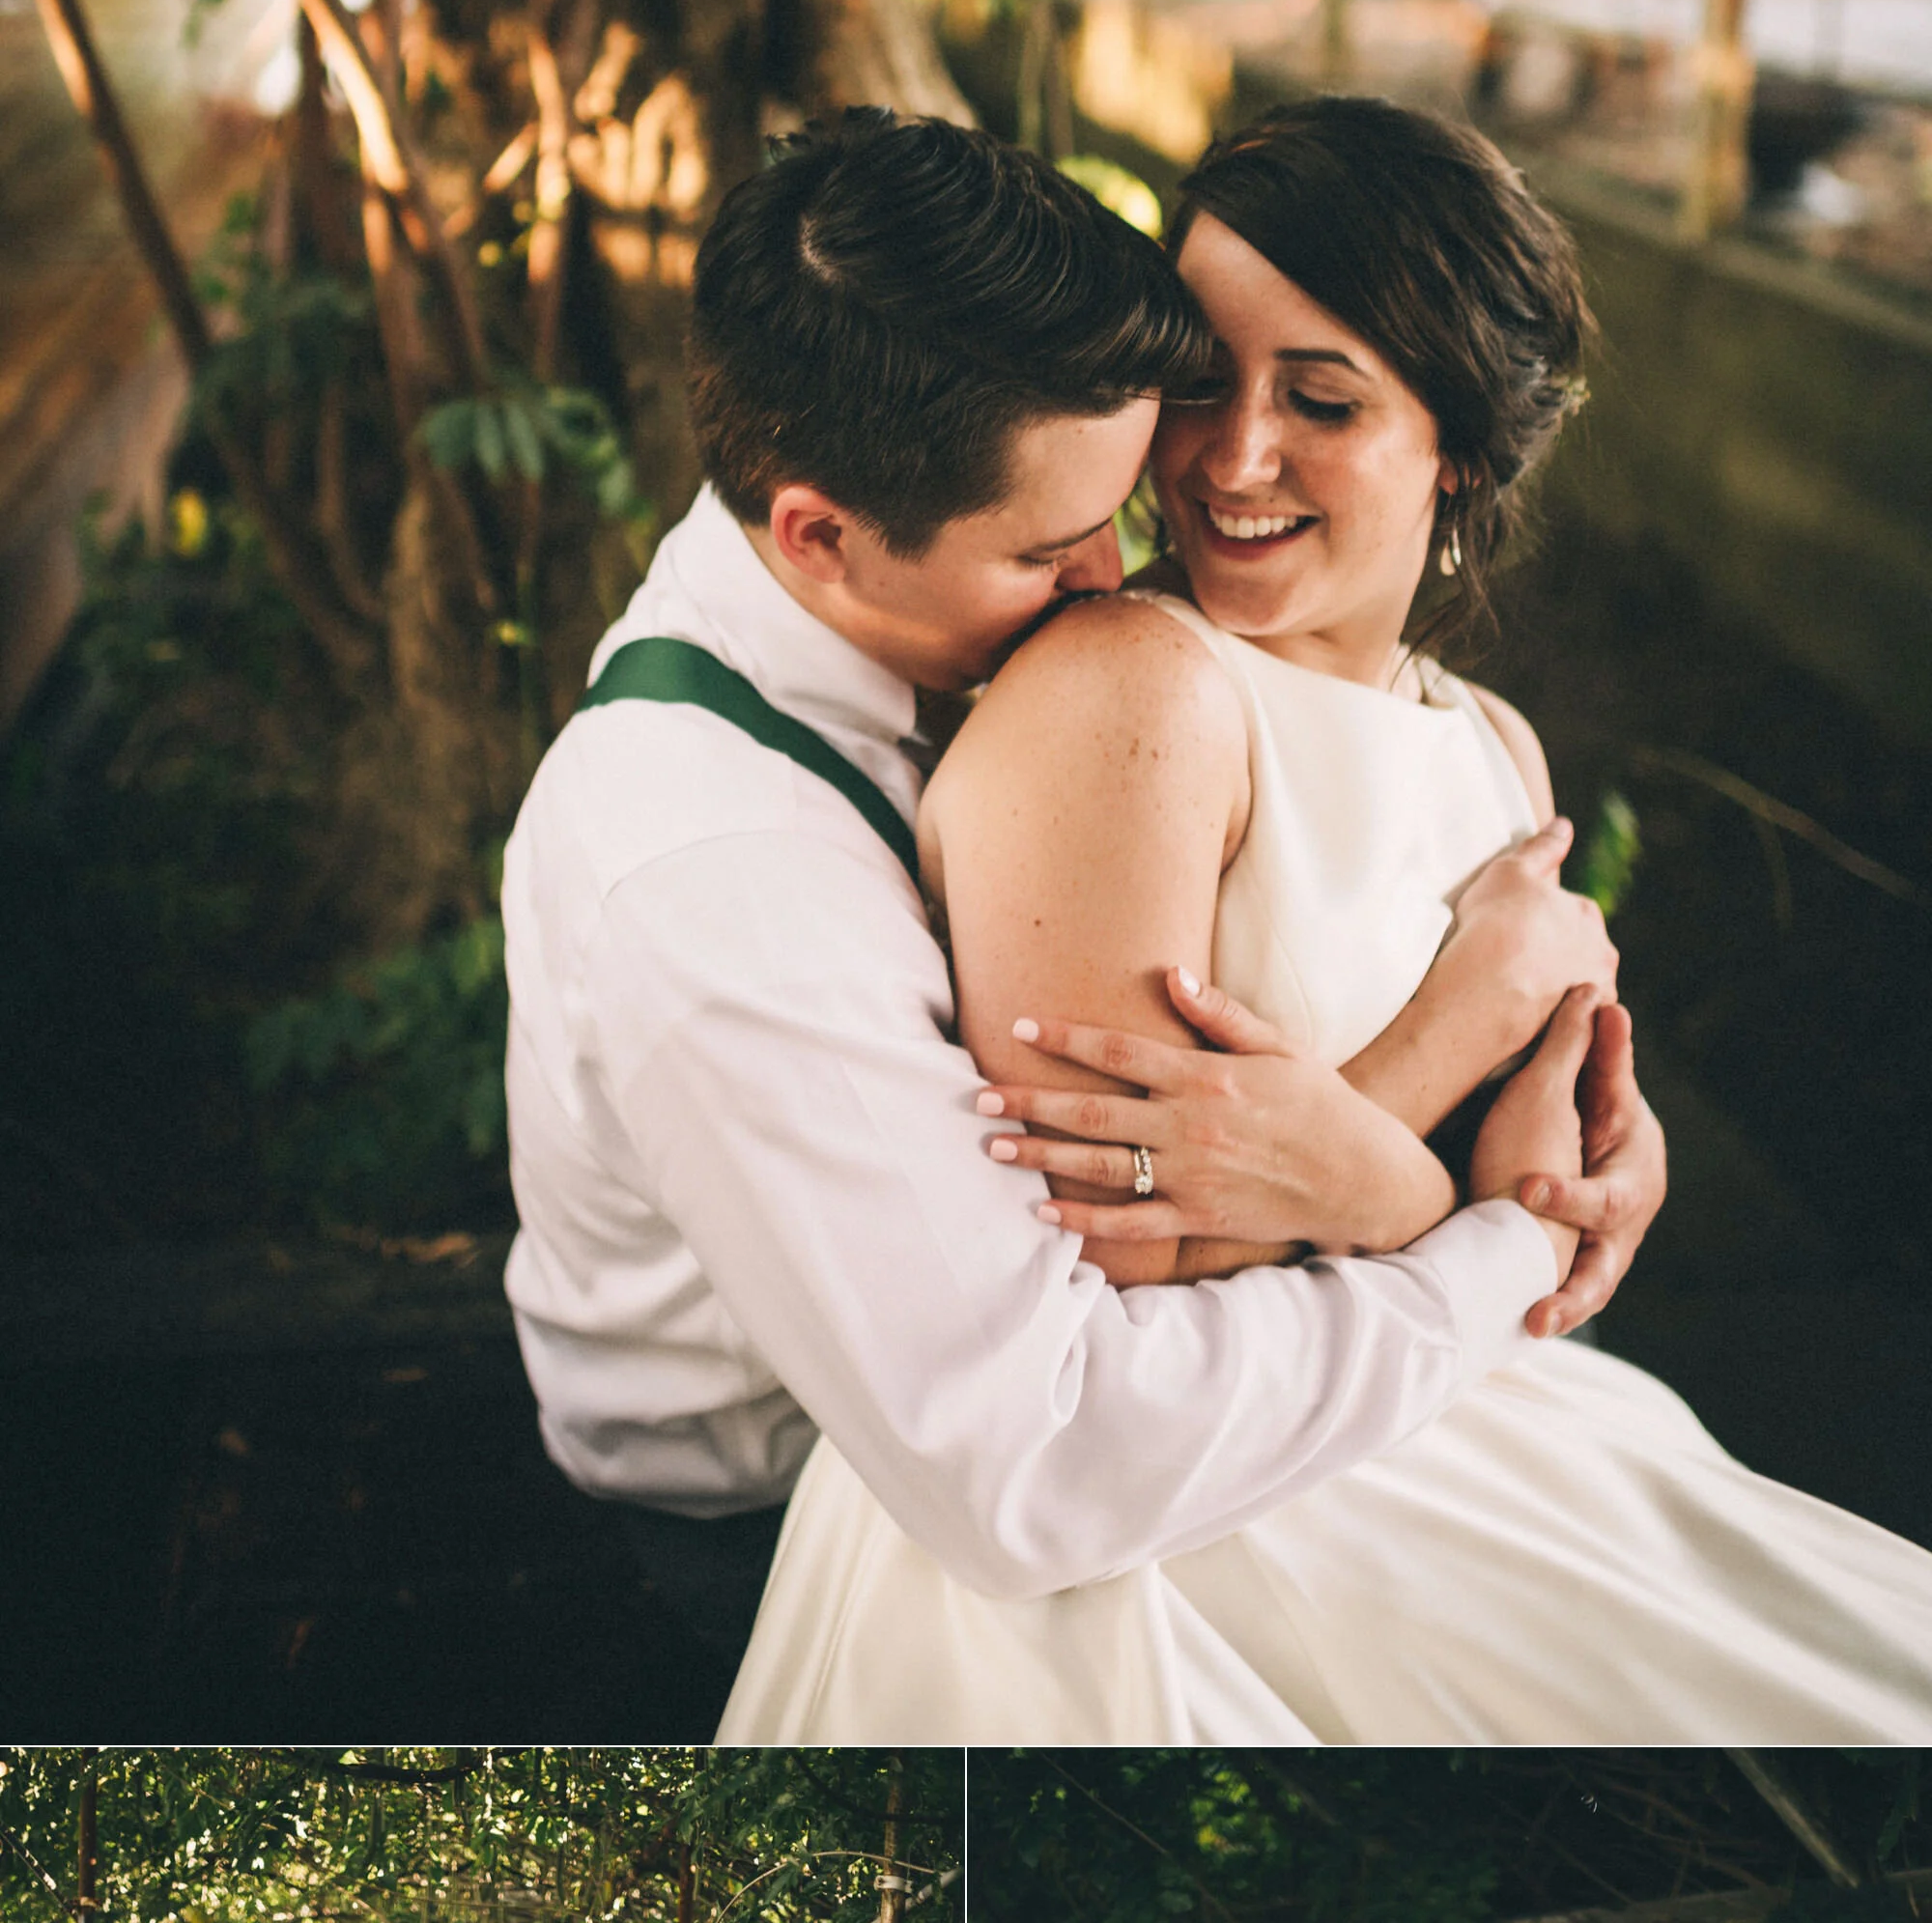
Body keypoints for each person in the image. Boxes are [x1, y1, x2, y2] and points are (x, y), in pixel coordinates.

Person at [725, 97, 1932, 1743]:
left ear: (1468, 441)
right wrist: (1444, 1073)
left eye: (1326, 399)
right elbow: (1110, 1257)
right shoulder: (1129, 687)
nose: (1233, 459)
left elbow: (1541, 1200)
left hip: (1433, 1410)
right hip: (1170, 1522)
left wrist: (1581, 1173)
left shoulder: (1493, 749)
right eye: (1203, 384)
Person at [502, 113, 1627, 1736]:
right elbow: (1045, 1443)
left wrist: (1593, 1136)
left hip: (1214, 1403)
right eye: (1048, 548)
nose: (1123, 573)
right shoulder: (711, 866)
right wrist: (1479, 1218)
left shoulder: (1435, 728)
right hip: (800, 1522)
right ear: (817, 533)